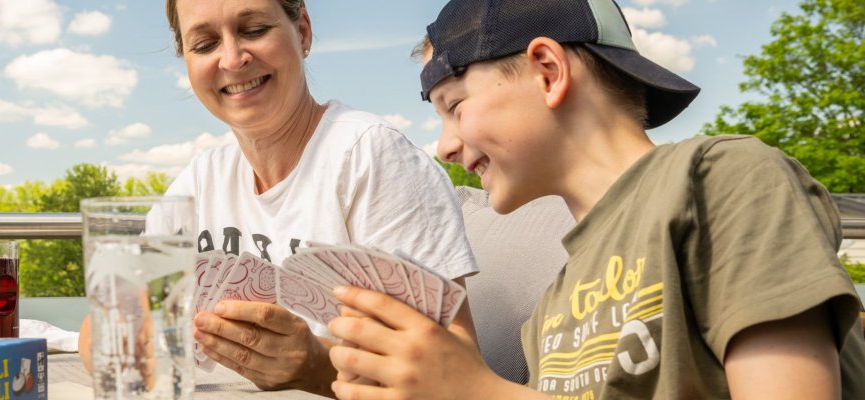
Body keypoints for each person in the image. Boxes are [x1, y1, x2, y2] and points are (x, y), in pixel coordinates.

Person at [327, 0, 865, 399]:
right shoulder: (555, 307)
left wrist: (479, 392)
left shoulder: (720, 177)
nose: (443, 145)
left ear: (548, 70)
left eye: (456, 106)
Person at [79, 0, 479, 396]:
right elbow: (110, 324)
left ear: (302, 31)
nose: (233, 60)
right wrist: (113, 333)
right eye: (204, 45)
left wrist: (317, 367)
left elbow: (457, 372)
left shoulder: (370, 156)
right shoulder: (199, 181)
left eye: (253, 30)